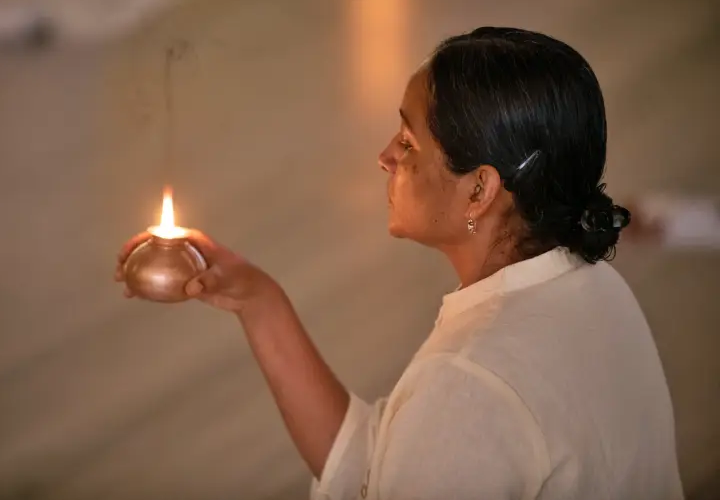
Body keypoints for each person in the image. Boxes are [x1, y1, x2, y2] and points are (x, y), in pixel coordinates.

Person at [116, 27, 683, 499]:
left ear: (480, 190)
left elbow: (435, 441)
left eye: (409, 144)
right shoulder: (594, 288)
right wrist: (258, 300)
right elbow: (384, 468)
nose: (385, 156)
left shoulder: (470, 382)